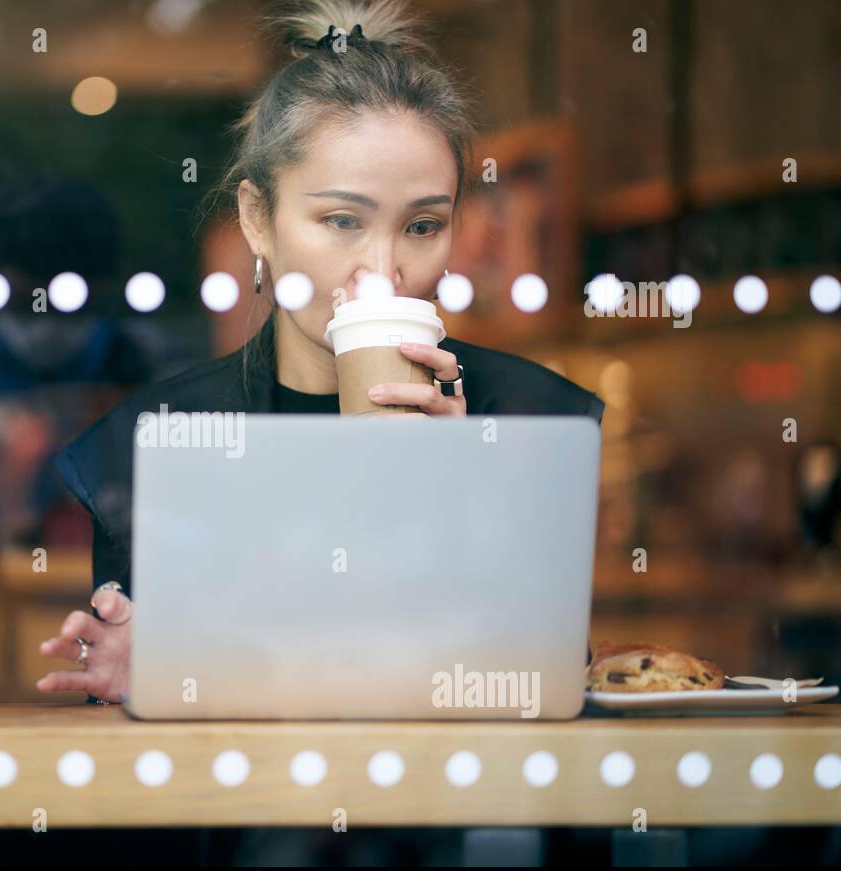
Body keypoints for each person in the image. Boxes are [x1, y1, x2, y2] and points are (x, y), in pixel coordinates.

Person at [37, 0, 605, 706]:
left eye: (424, 225)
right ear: (257, 220)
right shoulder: (162, 442)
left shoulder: (526, 425)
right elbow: (155, 758)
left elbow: (543, 699)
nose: (383, 269)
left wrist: (464, 496)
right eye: (342, 220)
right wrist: (139, 677)